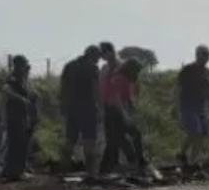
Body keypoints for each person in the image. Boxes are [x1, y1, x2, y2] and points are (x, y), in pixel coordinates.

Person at [100, 58, 156, 179]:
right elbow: (116, 98)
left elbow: (127, 98)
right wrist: (125, 115)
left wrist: (133, 111)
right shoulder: (120, 79)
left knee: (117, 141)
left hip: (117, 111)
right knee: (121, 139)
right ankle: (136, 162)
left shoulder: (126, 80)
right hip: (113, 113)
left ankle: (107, 169)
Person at [58, 45, 103, 178]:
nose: (98, 60)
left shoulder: (69, 66)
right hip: (87, 108)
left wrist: (62, 104)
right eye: (98, 58)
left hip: (71, 108)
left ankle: (63, 169)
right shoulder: (92, 68)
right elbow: (96, 90)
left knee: (70, 139)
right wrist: (100, 108)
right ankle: (91, 173)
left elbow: (63, 87)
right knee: (89, 140)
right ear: (93, 56)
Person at [1, 55, 39, 182]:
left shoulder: (22, 78)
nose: (26, 67)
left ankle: (17, 170)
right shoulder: (12, 78)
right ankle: (15, 172)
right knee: (18, 143)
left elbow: (28, 91)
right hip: (15, 115)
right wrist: (21, 99)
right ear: (19, 65)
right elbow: (5, 90)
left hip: (23, 115)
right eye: (24, 64)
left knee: (22, 143)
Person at [175, 45, 209, 167]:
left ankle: (181, 154)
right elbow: (178, 89)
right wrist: (177, 109)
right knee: (196, 133)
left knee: (201, 134)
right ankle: (193, 162)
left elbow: (208, 91)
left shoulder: (206, 72)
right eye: (204, 54)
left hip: (200, 107)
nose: (206, 57)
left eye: (208, 55)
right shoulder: (188, 70)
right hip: (187, 106)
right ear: (197, 54)